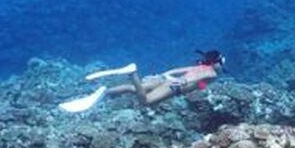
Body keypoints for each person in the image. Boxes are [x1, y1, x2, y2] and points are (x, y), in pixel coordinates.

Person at [59, 50, 226, 113]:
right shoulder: (211, 73)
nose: (222, 65)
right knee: (146, 102)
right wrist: (180, 82)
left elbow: (176, 70)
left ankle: (106, 92)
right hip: (174, 86)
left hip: (166, 79)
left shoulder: (199, 66)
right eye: (221, 62)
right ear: (215, 62)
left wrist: (164, 76)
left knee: (135, 89)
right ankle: (132, 73)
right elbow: (194, 78)